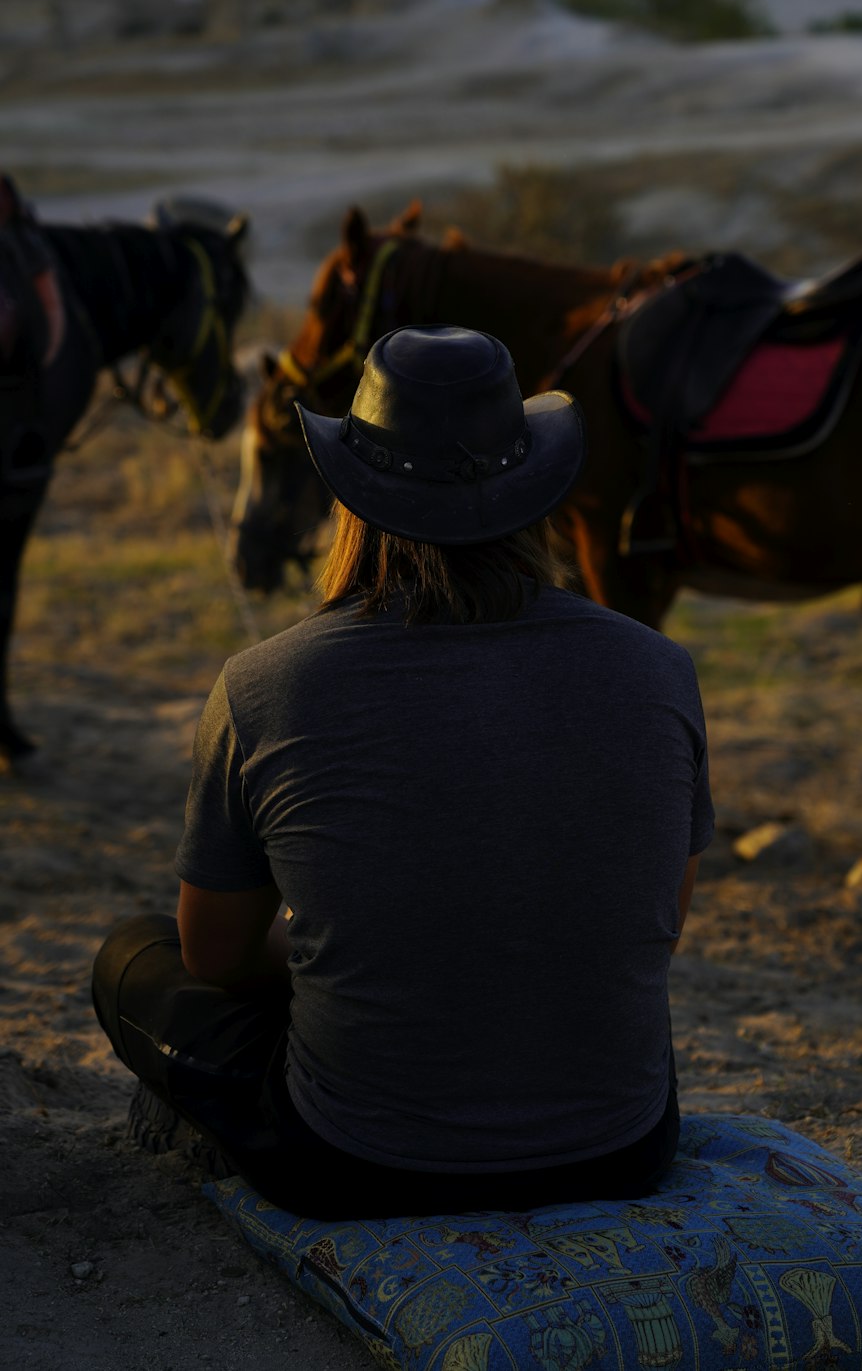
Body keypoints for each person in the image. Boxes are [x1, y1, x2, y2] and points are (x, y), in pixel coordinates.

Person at [92, 323, 714, 1220]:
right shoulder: (660, 668)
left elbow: (215, 953)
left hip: (359, 1162)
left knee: (132, 954)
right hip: (621, 1146)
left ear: (352, 495)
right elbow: (659, 918)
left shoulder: (263, 683)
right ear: (534, 488)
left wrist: (344, 951)